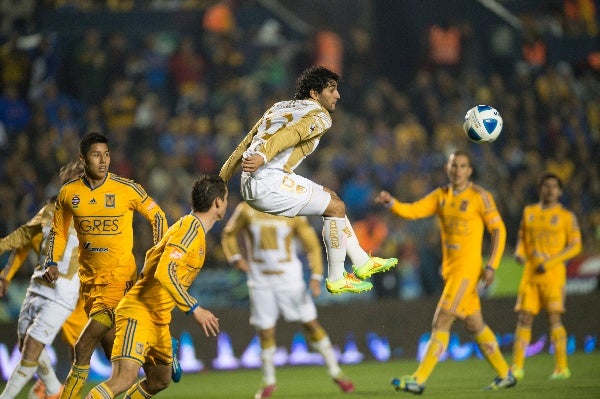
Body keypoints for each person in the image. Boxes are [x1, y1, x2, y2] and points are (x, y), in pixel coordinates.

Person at [219, 65, 397, 295]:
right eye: (331, 89)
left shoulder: (278, 107)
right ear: (314, 93)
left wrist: (221, 181)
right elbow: (292, 134)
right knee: (335, 208)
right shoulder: (320, 115)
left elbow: (245, 143)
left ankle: (362, 260)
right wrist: (263, 156)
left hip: (258, 178)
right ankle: (335, 278)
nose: (338, 95)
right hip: (267, 182)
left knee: (332, 197)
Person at [375, 149, 516, 394]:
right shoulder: (441, 195)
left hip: (468, 269)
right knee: (475, 324)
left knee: (441, 320)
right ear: (447, 169)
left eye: (462, 166)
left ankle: (418, 379)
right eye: (454, 165)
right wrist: (393, 204)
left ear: (470, 171)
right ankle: (506, 374)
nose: (457, 170)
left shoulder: (480, 197)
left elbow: (499, 231)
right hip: (452, 270)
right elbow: (414, 210)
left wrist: (492, 264)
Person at [42, 132, 168, 399]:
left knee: (83, 346)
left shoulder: (127, 189)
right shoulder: (69, 194)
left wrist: (156, 255)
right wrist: (51, 261)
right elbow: (58, 232)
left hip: (121, 282)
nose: (103, 160)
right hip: (90, 287)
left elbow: (157, 216)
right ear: (83, 159)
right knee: (122, 360)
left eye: (106, 154)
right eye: (96, 155)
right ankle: (161, 350)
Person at [84, 174, 225, 399]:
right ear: (218, 202)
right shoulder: (189, 229)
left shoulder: (194, 232)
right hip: (139, 313)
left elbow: (156, 263)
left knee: (160, 379)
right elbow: (164, 272)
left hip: (159, 318)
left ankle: (168, 345)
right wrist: (195, 309)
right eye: (225, 198)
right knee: (123, 378)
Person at [221, 201, 355, 399]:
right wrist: (235, 258)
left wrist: (316, 275)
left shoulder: (290, 207)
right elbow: (228, 234)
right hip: (260, 279)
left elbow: (311, 244)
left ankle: (335, 371)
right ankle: (268, 381)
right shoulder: (247, 209)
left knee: (310, 323)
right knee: (265, 331)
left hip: (289, 278)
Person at [0, 160, 90, 399]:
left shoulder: (92, 216)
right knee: (25, 344)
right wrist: (5, 270)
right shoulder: (50, 210)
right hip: (40, 286)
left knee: (75, 347)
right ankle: (53, 388)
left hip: (67, 291)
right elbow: (25, 237)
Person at [510, 172, 582, 380]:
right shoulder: (529, 212)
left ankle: (561, 368)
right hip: (531, 275)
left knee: (554, 319)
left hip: (553, 275)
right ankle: (517, 367)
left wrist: (551, 261)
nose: (549, 190)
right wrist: (519, 253)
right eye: (546, 186)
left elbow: (576, 246)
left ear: (560, 191)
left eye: (554, 186)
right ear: (540, 189)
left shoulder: (567, 216)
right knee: (524, 318)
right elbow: (522, 238)